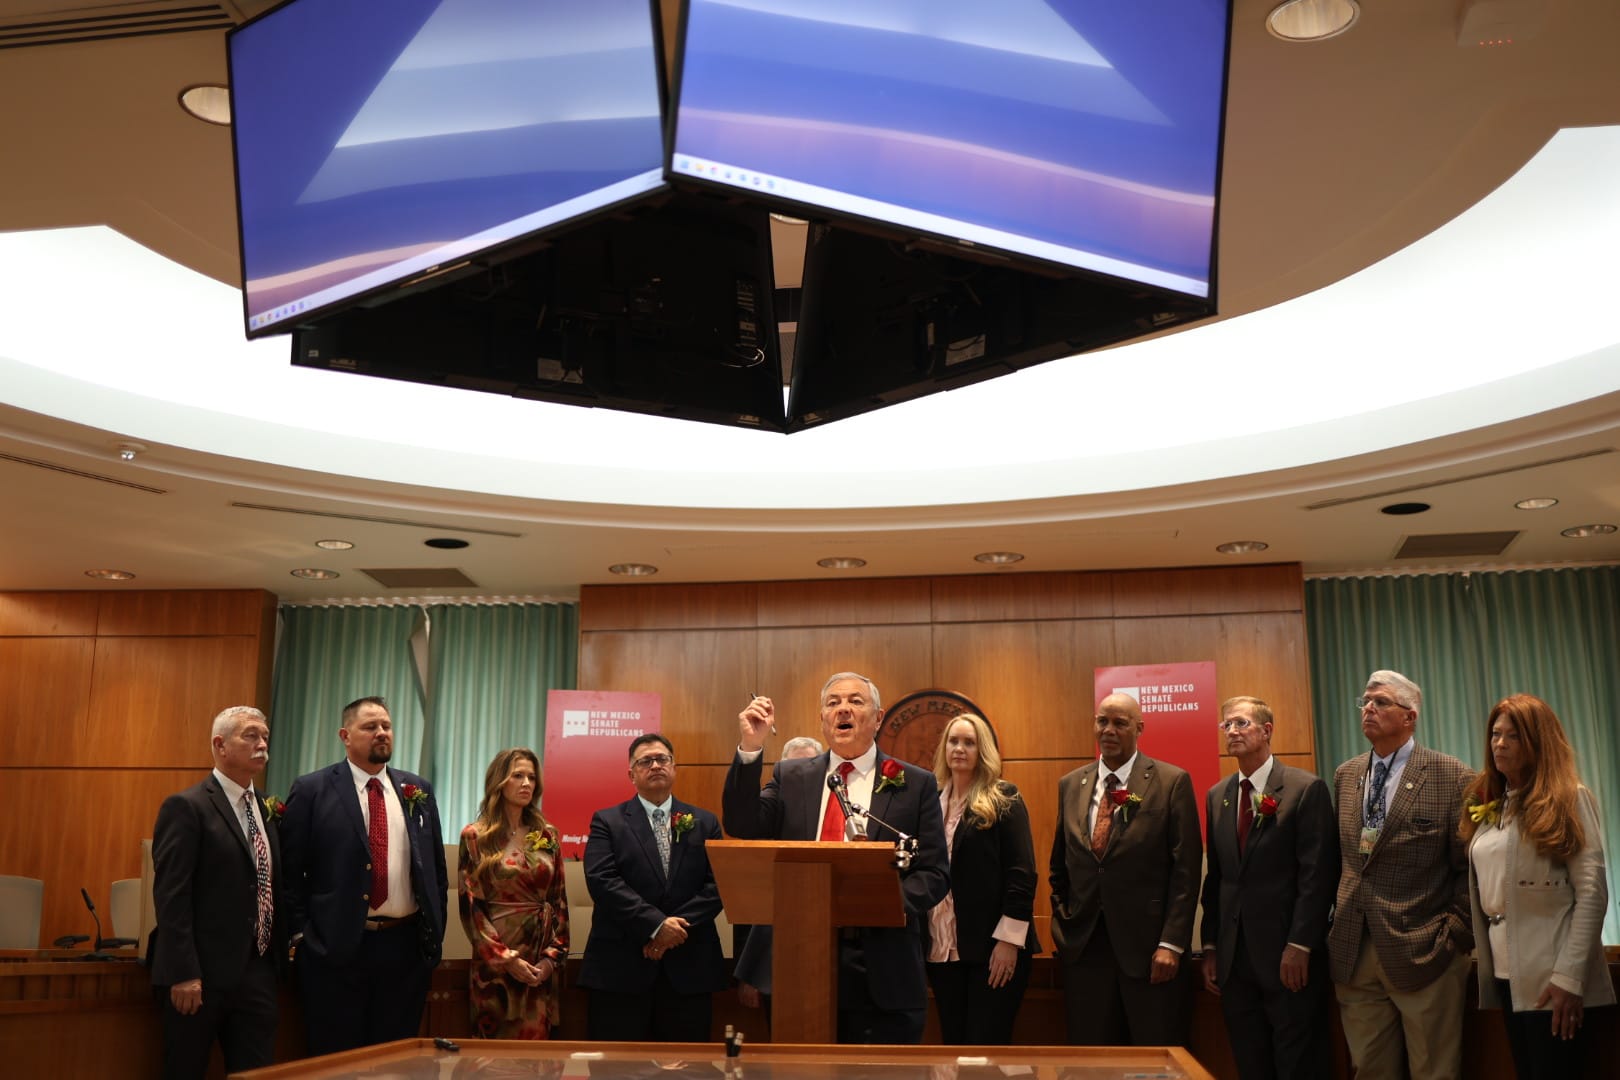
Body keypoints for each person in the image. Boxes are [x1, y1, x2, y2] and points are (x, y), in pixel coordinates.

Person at [723, 671, 950, 1044]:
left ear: (878, 718)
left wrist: (883, 902)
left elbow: (934, 873)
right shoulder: (791, 776)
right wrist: (751, 746)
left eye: (855, 701)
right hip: (799, 957)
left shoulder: (915, 783)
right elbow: (741, 824)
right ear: (823, 720)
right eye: (833, 703)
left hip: (882, 963)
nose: (843, 708)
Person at [280, 695, 449, 1055]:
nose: (381, 733)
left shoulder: (416, 790)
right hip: (335, 950)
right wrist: (300, 936)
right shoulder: (312, 789)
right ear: (345, 734)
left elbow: (435, 870)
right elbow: (290, 873)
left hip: (404, 950)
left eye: (386, 726)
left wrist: (433, 933)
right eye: (370, 726)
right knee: (335, 1058)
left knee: (395, 1060)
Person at [1327, 670, 1475, 1080]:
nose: (1368, 708)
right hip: (1355, 950)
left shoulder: (1452, 775)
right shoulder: (1347, 775)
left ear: (1410, 717)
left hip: (1425, 949)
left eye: (1381, 702)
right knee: (1370, 1070)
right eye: (1365, 702)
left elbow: (1468, 868)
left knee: (1435, 1071)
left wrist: (1453, 933)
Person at [1460, 694, 1614, 1079]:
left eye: (1512, 736)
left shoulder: (1570, 798)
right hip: (1508, 974)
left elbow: (1592, 893)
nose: (1499, 743)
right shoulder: (1497, 802)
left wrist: (1569, 978)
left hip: (1554, 978)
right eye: (1495, 734)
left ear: (1538, 741)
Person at [1049, 691, 1202, 1046]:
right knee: (1091, 1064)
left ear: (1140, 728)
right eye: (1102, 721)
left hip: (1150, 952)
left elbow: (1186, 871)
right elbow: (1060, 865)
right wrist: (1063, 922)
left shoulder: (1171, 781)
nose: (1109, 730)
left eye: (1120, 723)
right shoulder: (1071, 784)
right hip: (1085, 950)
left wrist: (1171, 943)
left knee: (1155, 1060)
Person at [1198, 696, 1339, 1080]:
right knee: (1250, 1063)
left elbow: (1318, 876)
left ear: (1267, 730)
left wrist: (1301, 944)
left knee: (1298, 1064)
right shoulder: (1218, 795)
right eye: (1226, 725)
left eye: (1241, 723)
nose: (1232, 732)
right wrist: (1210, 946)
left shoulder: (1304, 789)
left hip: (1288, 957)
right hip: (1234, 959)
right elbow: (1218, 879)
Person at [150, 706, 282, 1079]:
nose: (262, 745)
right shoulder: (187, 807)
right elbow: (171, 895)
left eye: (265, 737)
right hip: (199, 976)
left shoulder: (267, 810)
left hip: (257, 974)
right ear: (220, 745)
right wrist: (183, 972)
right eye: (251, 736)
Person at [578, 733, 727, 1041]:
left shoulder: (705, 822)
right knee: (617, 1070)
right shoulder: (607, 821)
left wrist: (672, 933)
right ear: (631, 774)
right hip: (621, 969)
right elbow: (602, 881)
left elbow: (718, 885)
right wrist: (657, 926)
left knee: (688, 1071)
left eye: (663, 759)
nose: (655, 765)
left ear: (674, 768)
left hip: (689, 969)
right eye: (645, 761)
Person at [924, 712, 1037, 1045]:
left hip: (993, 948)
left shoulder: (1003, 797)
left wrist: (1009, 941)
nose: (959, 749)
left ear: (982, 749)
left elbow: (1022, 872)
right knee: (954, 1045)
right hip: (942, 948)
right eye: (953, 741)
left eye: (969, 742)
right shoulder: (931, 802)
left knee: (985, 1047)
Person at [458, 747, 569, 1039]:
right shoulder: (476, 836)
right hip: (496, 962)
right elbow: (472, 908)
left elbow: (559, 901)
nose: (526, 784)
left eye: (532, 777)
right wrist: (506, 959)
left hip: (540, 961)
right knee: (494, 1059)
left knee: (537, 1053)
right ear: (499, 781)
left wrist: (550, 958)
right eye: (517, 775)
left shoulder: (548, 834)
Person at [732, 735, 824, 1014]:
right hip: (772, 962)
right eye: (792, 768)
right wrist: (749, 974)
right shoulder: (767, 811)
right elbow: (748, 905)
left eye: (807, 767)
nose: (799, 776)